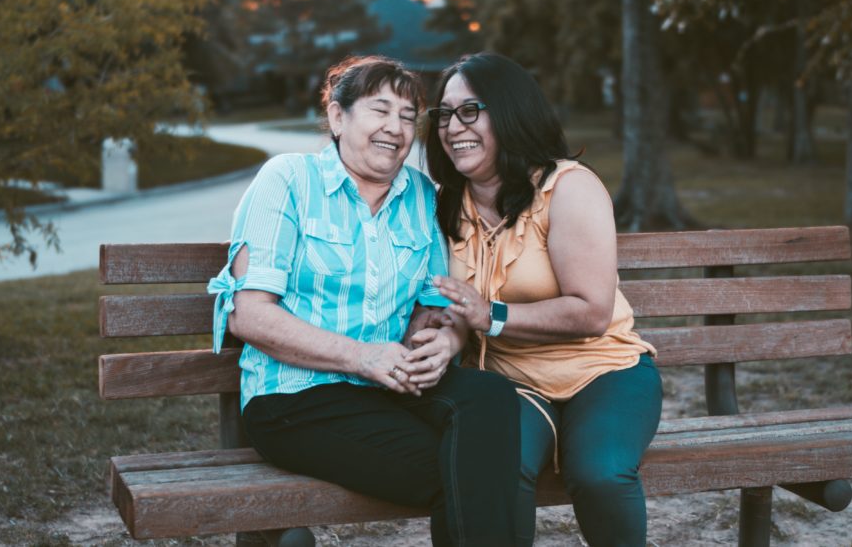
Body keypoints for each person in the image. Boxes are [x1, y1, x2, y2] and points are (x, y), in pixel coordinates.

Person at [208, 56, 520, 546]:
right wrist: (362, 356)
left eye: (406, 115)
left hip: (386, 385)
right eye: (379, 110)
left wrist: (439, 339)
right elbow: (250, 314)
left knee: (492, 398)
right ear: (337, 117)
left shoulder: (419, 194)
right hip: (295, 398)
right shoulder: (289, 180)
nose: (395, 128)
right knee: (466, 471)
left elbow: (431, 303)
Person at [424, 52, 663, 547]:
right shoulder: (443, 202)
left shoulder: (567, 188)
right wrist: (445, 338)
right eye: (444, 113)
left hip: (603, 372)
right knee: (493, 472)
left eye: (470, 110)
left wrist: (489, 315)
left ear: (510, 112)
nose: (452, 126)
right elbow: (447, 305)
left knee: (600, 473)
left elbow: (592, 310)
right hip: (508, 383)